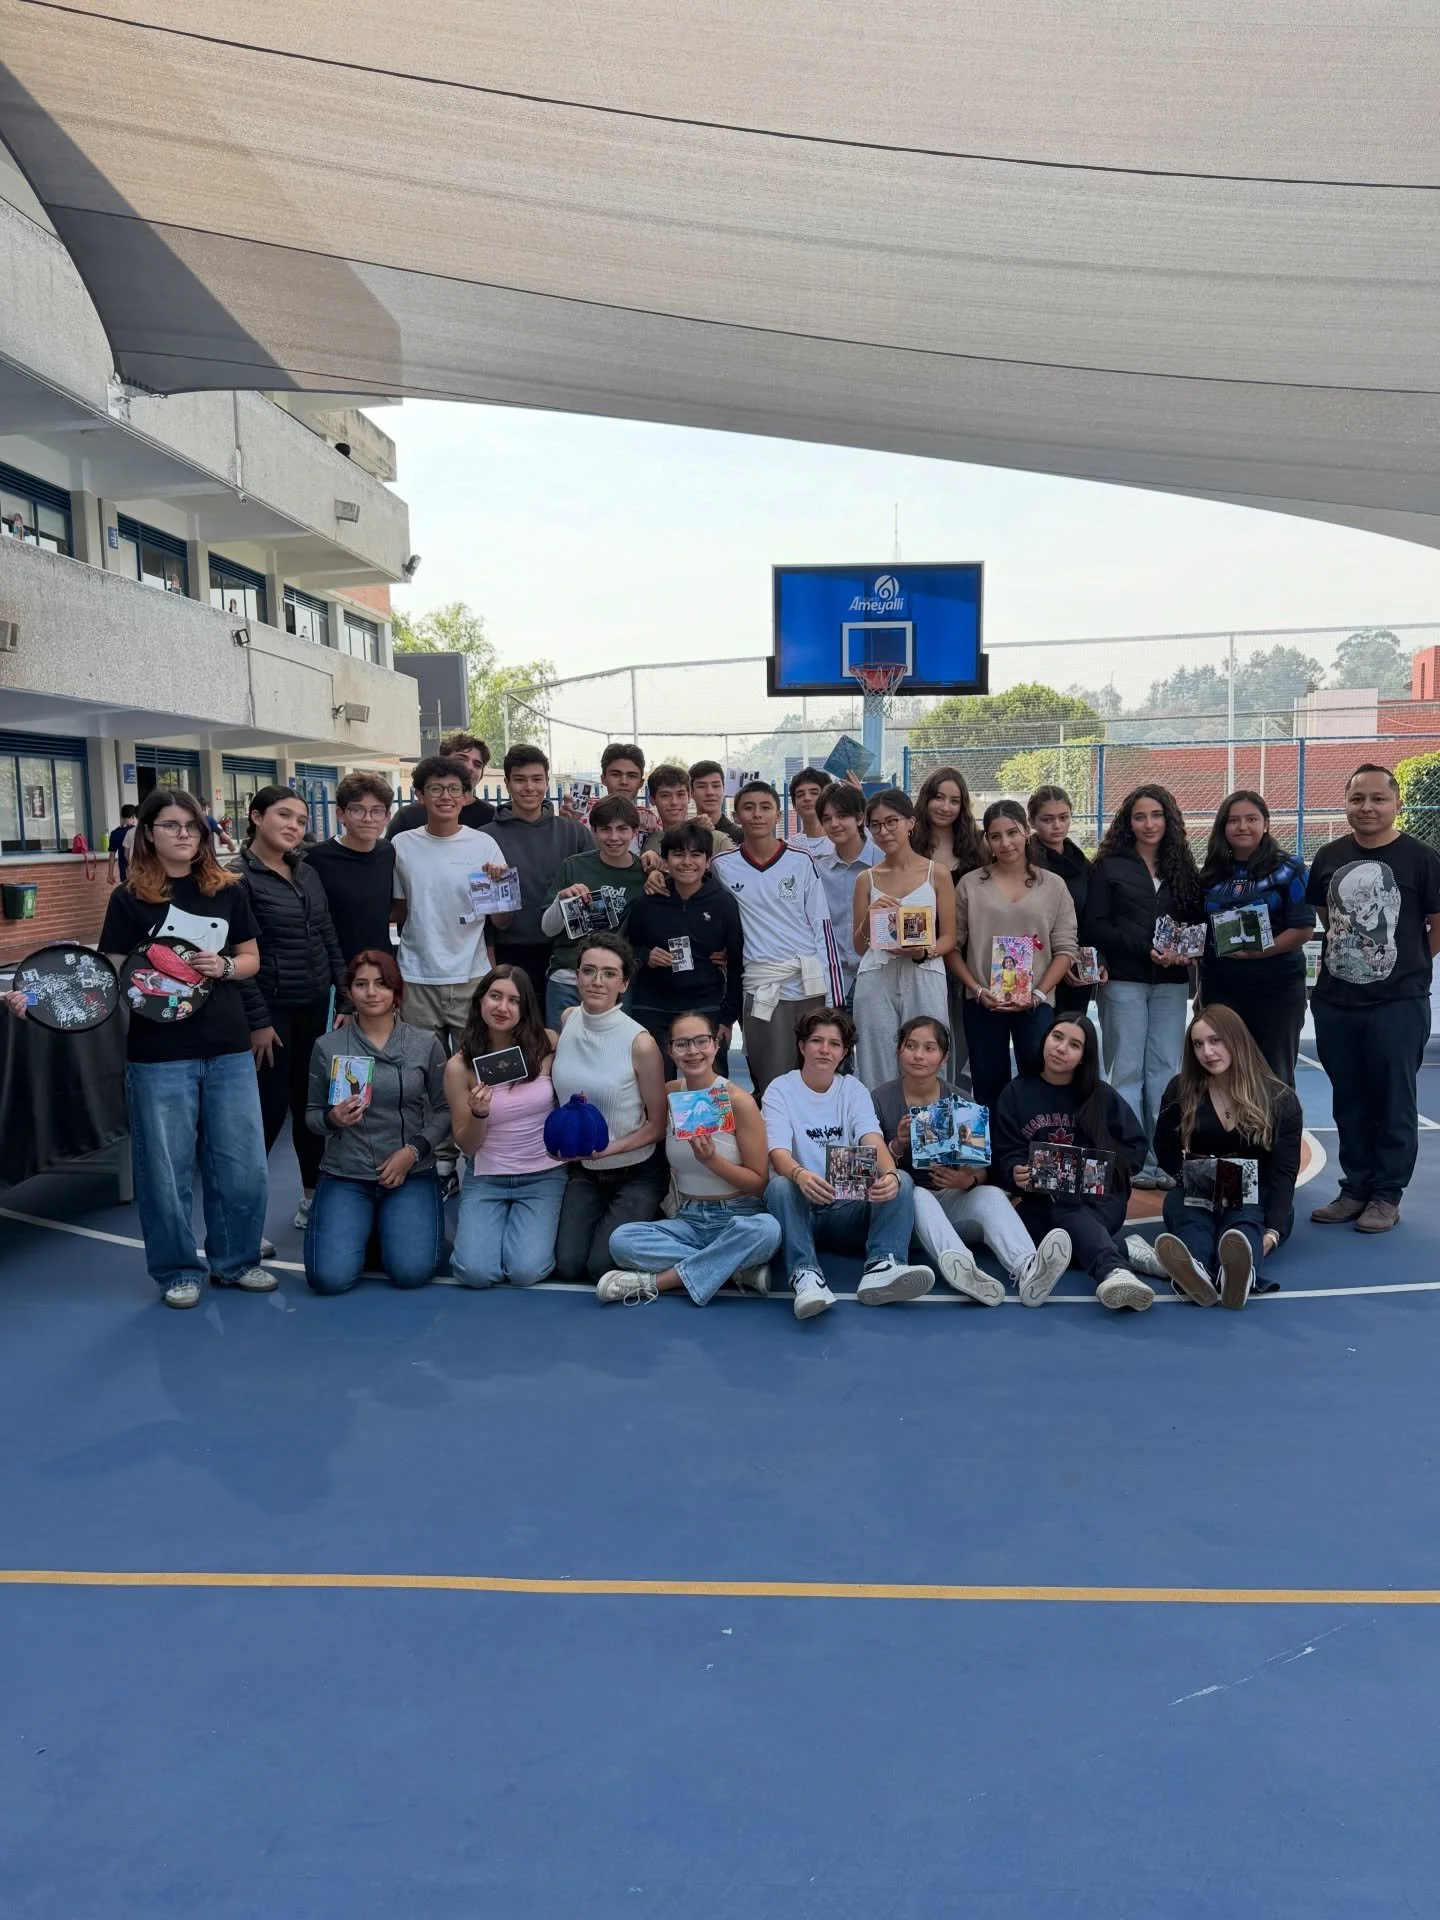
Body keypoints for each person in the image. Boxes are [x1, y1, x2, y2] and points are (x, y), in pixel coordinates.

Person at [96, 787, 271, 1307]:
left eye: (192, 826)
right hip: (158, 1056)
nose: (184, 835)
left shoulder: (228, 890)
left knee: (242, 1166)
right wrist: (37, 995)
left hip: (227, 1047)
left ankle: (236, 1261)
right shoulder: (128, 899)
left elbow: (251, 959)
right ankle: (176, 1270)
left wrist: (225, 967)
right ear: (147, 832)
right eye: (172, 826)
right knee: (166, 1171)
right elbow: (107, 972)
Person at [1305, 763, 1440, 1233]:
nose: (1367, 807)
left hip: (1398, 1002)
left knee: (1394, 1099)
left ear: (1397, 804)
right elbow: (1328, 916)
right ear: (1345, 804)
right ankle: (1356, 1186)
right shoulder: (1327, 857)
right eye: (1357, 799)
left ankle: (1386, 1194)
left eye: (1378, 799)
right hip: (1335, 1001)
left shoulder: (1422, 859)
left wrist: (1406, 965)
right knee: (1350, 1098)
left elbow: (1435, 926)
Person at [872, 1015, 1072, 1307]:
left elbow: (982, 1168)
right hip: (905, 1214)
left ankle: (1029, 1268)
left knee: (989, 1193)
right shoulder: (879, 1099)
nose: (918, 1055)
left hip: (952, 1203)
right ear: (899, 1051)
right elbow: (870, 1169)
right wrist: (897, 1144)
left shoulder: (963, 1102)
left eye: (929, 1048)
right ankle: (964, 1267)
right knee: (917, 1194)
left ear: (944, 1056)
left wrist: (968, 1180)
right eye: (911, 1046)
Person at [599, 1010, 781, 1305]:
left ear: (716, 1044)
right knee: (622, 1240)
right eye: (682, 1044)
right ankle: (736, 1269)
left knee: (768, 1231)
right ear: (670, 1051)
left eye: (701, 1041)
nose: (693, 1051)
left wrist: (713, 1161)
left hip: (739, 1217)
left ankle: (657, 1281)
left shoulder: (738, 1101)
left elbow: (760, 1184)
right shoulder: (669, 1095)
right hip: (689, 1219)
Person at [763, 1008, 933, 1318]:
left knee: (903, 1181)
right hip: (801, 1210)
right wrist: (800, 1175)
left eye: (834, 1043)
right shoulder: (780, 1089)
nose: (824, 1050)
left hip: (847, 1208)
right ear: (802, 1046)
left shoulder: (852, 1088)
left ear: (844, 1052)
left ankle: (882, 1265)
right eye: (816, 1041)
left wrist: (891, 1174)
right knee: (778, 1185)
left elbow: (871, 1137)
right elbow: (777, 1152)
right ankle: (806, 1275)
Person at [303, 948, 447, 1294]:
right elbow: (311, 1115)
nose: (371, 992)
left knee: (412, 1273)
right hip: (346, 1173)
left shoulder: (425, 1043)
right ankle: (365, 1229)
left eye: (381, 984)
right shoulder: (328, 1046)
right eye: (361, 984)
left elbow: (445, 1111)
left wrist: (413, 1152)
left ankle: (385, 1229)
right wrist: (332, 1119)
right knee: (329, 1280)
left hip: (409, 1171)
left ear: (397, 992)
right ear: (349, 992)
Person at [238, 786, 348, 1232]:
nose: (293, 826)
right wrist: (259, 1021)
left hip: (314, 1006)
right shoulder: (236, 879)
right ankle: (244, 1221)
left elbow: (326, 933)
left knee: (312, 1105)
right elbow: (236, 956)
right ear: (256, 817)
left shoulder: (306, 871)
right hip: (270, 1013)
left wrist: (343, 992)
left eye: (301, 820)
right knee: (265, 1114)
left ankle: (311, 1198)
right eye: (284, 816)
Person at [1086, 783, 1203, 1188]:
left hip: (1171, 984)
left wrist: (1185, 951)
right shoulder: (1109, 865)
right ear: (1128, 822)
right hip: (1124, 981)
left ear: (1169, 819)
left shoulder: (1183, 866)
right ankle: (1131, 1160)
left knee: (1165, 1072)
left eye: (1156, 815)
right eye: (1140, 816)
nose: (1149, 823)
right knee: (1127, 1071)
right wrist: (1143, 948)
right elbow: (1096, 924)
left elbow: (1194, 923)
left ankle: (1163, 1160)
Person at [992, 1015, 1152, 1310]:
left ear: (1083, 1057)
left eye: (1074, 1044)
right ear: (1044, 1040)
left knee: (1065, 1212)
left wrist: (1101, 1170)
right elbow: (1005, 1151)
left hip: (1101, 1200)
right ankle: (1125, 1251)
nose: (1061, 1048)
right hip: (1041, 1200)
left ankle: (1114, 1271)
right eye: (1057, 1037)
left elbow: (1136, 1147)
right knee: (1042, 1238)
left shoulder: (1101, 1096)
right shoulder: (1015, 1093)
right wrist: (1014, 1171)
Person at [1150, 1004, 1302, 1309]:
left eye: (1215, 1040)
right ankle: (1198, 1271)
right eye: (1198, 1044)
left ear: (1236, 1040)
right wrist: (1188, 1177)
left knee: (1243, 1223)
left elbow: (1284, 1172)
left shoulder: (1279, 1099)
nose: (1207, 1052)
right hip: (1202, 1188)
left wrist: (1272, 1233)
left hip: (1257, 1193)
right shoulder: (1181, 1090)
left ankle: (1238, 1273)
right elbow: (1163, 1146)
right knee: (1191, 1217)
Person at [710, 780, 841, 1099]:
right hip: (760, 988)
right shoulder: (722, 867)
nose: (757, 815)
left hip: (808, 985)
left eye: (765, 807)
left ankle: (811, 1147)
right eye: (749, 807)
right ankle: (774, 1148)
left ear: (778, 815)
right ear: (736, 814)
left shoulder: (800, 859)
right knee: (771, 1083)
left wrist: (834, 995)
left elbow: (822, 925)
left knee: (817, 1077)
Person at [550, 933, 669, 1282]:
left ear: (624, 982)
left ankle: (656, 1217)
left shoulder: (640, 1042)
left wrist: (607, 1149)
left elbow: (657, 1125)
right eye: (588, 971)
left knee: (601, 1267)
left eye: (608, 973)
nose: (597, 981)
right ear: (577, 976)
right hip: (583, 1170)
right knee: (569, 1266)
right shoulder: (568, 1018)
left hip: (635, 1171)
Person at [949, 800, 1078, 1110]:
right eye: (995, 836)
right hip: (984, 1002)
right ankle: (993, 1155)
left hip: (1035, 1003)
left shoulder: (1053, 886)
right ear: (987, 841)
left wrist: (1037, 993)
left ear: (1026, 833)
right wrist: (977, 990)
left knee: (1039, 1080)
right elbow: (952, 946)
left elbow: (1065, 949)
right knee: (987, 1083)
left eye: (1012, 833)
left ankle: (1035, 1150)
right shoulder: (971, 884)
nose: (1005, 843)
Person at [445, 964, 567, 1288]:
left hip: (544, 1175)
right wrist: (479, 1115)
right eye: (495, 996)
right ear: (480, 1001)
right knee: (475, 1273)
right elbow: (466, 1146)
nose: (502, 1007)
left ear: (525, 1008)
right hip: (487, 1177)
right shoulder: (459, 1066)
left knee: (525, 1271)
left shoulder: (549, 1044)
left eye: (513, 1000)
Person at [393, 753, 511, 1066]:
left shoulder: (484, 844)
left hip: (472, 976)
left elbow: (502, 920)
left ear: (466, 795)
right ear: (419, 795)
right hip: (417, 977)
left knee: (476, 1068)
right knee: (420, 1069)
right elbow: (399, 910)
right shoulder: (401, 845)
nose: (446, 796)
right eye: (435, 789)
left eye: (454, 789)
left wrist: (498, 887)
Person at [1195, 790, 1314, 1086]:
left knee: (1274, 1074)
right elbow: (1202, 934)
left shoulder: (1290, 868)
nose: (1242, 826)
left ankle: (1278, 1132)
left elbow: (1303, 929)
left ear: (1266, 824)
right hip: (1221, 986)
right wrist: (1200, 987)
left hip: (1276, 987)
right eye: (1234, 820)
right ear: (1223, 826)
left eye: (1251, 819)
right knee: (1223, 1072)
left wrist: (1259, 952)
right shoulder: (1210, 874)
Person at [850, 787, 956, 1088]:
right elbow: (859, 946)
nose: (883, 832)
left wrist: (923, 952)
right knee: (875, 1061)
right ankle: (878, 1132)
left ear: (910, 822)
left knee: (928, 1053)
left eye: (891, 821)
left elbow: (949, 937)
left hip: (924, 973)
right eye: (875, 825)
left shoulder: (937, 873)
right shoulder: (866, 879)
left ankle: (932, 1129)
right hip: (877, 976)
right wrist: (871, 919)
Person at [622, 822, 744, 1074]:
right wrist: (646, 956)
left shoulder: (723, 903)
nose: (687, 862)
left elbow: (736, 961)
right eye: (678, 854)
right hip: (653, 1005)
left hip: (704, 1004)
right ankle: (656, 1117)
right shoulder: (647, 902)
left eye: (696, 855)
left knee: (711, 1085)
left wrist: (727, 1018)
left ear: (708, 861)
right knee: (654, 1083)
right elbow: (626, 949)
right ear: (665, 861)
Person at [488, 743, 594, 1006]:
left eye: (537, 779)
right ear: (507, 783)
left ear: (547, 782)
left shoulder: (575, 833)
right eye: (520, 780)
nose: (529, 788)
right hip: (509, 951)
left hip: (566, 955)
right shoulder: (485, 837)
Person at [539, 795, 648, 1027]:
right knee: (560, 1051)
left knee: (613, 1056)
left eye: (622, 829)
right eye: (605, 829)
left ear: (635, 831)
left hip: (615, 983)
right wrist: (563, 899)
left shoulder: (646, 874)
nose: (614, 837)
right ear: (594, 830)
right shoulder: (573, 866)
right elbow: (547, 929)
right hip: (568, 978)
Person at [303, 770, 398, 961]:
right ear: (340, 814)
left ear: (387, 817)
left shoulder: (388, 852)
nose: (368, 818)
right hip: (332, 968)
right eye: (357, 809)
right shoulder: (314, 858)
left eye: (377, 811)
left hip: (379, 968)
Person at [1028, 785, 1105, 1017]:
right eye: (1047, 819)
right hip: (1035, 969)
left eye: (1063, 817)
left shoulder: (1082, 865)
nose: (1057, 825)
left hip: (1076, 971)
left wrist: (1093, 959)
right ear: (1031, 822)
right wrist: (1057, 963)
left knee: (1072, 1038)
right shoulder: (1024, 863)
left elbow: (1093, 919)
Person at [815, 782, 882, 1007]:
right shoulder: (817, 871)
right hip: (833, 982)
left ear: (860, 818)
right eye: (827, 818)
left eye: (842, 815)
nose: (834, 824)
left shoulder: (885, 864)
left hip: (878, 978)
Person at [386, 731, 496, 836]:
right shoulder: (408, 817)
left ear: (481, 775)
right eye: (461, 759)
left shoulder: (492, 817)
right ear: (441, 762)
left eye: (477, 764)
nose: (469, 767)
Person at [641, 764, 694, 855]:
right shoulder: (646, 844)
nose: (674, 802)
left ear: (689, 796)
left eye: (680, 794)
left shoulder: (714, 839)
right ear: (652, 800)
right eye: (665, 795)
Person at [689, 760, 743, 848]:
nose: (710, 792)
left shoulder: (741, 836)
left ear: (724, 789)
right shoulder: (682, 833)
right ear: (691, 792)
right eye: (701, 786)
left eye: (716, 786)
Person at [787, 766, 834, 855]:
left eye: (814, 793)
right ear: (794, 804)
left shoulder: (841, 842)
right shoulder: (789, 848)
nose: (807, 798)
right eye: (800, 795)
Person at [106, 802, 137, 886]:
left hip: (123, 870)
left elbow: (112, 855)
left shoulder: (115, 833)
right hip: (137, 869)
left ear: (122, 816)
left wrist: (110, 874)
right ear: (133, 816)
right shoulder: (136, 831)